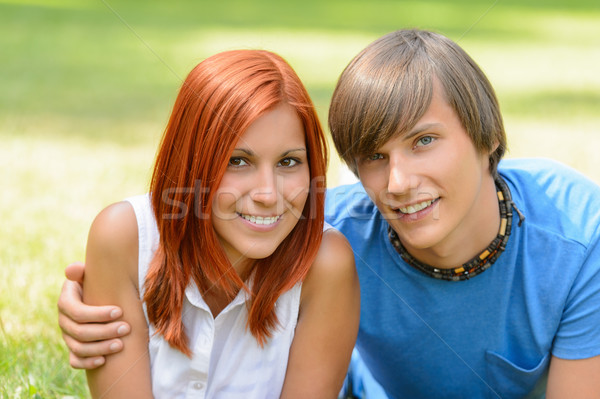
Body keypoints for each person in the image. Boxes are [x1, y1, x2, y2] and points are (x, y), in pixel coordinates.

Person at [58, 30, 600, 398]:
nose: (399, 182)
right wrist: (91, 303)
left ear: (486, 137)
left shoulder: (579, 234)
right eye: (373, 157)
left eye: (425, 140)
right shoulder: (323, 231)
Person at [72, 49, 359, 398]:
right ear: (191, 162)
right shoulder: (124, 237)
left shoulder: (325, 264)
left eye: (288, 162)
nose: (268, 194)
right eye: (238, 161)